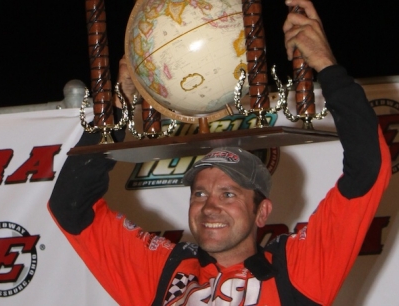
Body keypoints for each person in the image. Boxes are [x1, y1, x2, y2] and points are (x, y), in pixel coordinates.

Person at [48, 0, 391, 304]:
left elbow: (367, 170)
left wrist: (328, 68)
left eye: (228, 194)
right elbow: (71, 208)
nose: (209, 206)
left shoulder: (294, 270)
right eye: (200, 193)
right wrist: (118, 113)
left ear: (262, 212)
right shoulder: (165, 272)